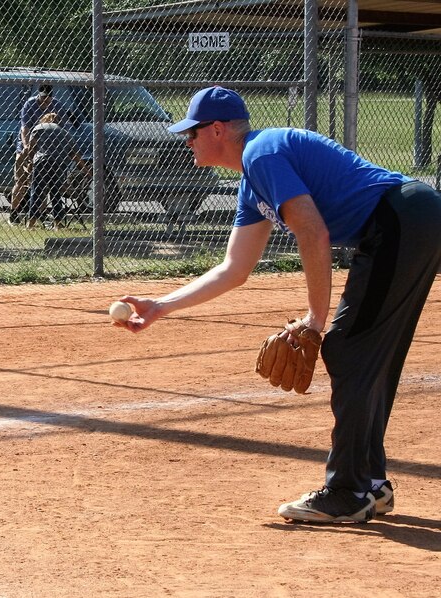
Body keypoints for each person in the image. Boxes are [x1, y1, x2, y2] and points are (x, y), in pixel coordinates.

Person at [116, 86, 441, 523]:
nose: (186, 141)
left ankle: (348, 491)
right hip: (406, 222)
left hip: (401, 220)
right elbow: (234, 268)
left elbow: (313, 233)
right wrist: (161, 305)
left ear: (217, 129)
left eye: (192, 132)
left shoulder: (262, 154)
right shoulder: (252, 183)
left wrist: (315, 320)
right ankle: (370, 484)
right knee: (366, 353)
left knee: (349, 348)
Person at [11, 84, 66, 225]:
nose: (45, 102)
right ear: (38, 96)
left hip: (44, 150)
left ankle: (40, 214)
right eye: (42, 99)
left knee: (42, 183)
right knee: (21, 181)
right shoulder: (30, 104)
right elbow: (25, 129)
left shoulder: (57, 106)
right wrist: (27, 147)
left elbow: (60, 129)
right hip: (27, 145)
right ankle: (14, 213)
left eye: (48, 99)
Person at [26, 112, 88, 229]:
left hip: (42, 161)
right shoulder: (65, 134)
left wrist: (30, 162)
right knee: (56, 194)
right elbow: (74, 155)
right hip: (59, 164)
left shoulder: (39, 128)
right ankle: (58, 224)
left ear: (44, 119)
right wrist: (87, 171)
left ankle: (31, 223)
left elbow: (31, 147)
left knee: (37, 192)